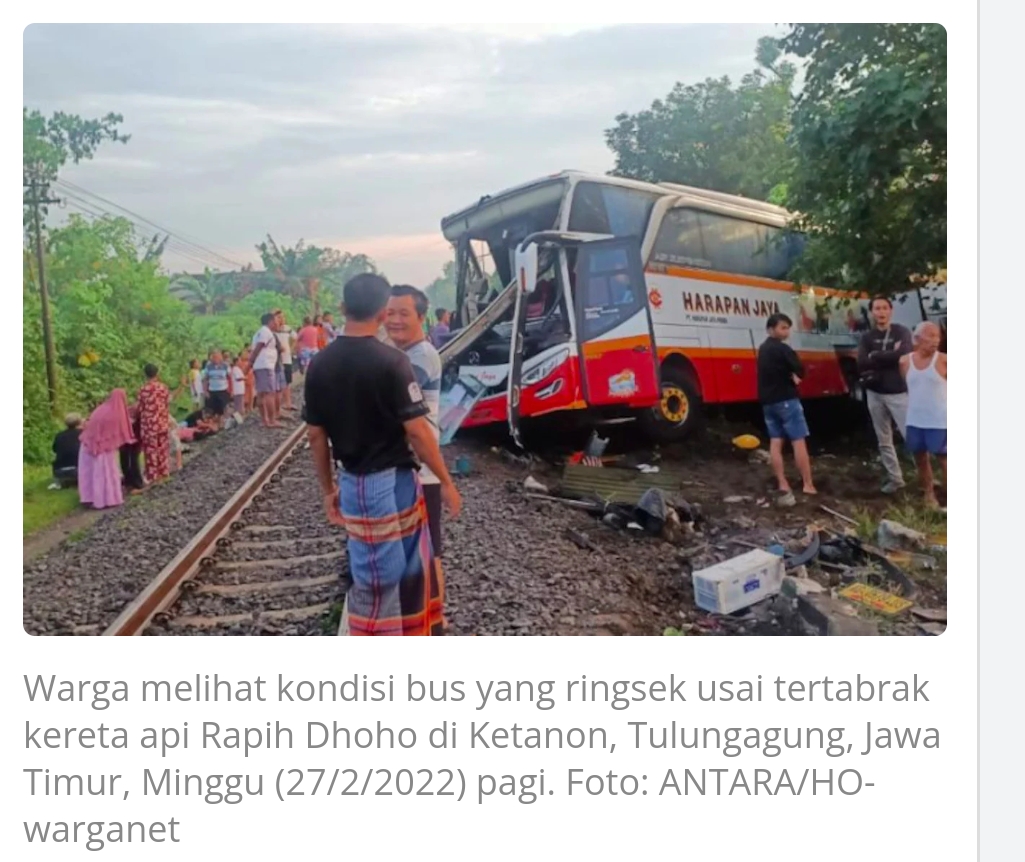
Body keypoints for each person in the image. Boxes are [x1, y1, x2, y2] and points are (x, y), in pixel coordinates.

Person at [304, 273, 462, 637]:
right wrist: (447, 481)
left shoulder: (318, 365)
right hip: (391, 483)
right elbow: (418, 432)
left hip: (352, 479)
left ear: (343, 309)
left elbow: (315, 435)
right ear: (380, 312)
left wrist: (328, 489)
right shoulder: (392, 362)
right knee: (392, 573)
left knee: (368, 566)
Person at [386, 284, 447, 634]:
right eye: (390, 313)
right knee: (424, 543)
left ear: (422, 318)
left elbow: (393, 404)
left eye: (403, 313)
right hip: (416, 465)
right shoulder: (408, 354)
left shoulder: (419, 357)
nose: (394, 320)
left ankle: (434, 622)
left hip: (422, 468)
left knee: (429, 546)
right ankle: (430, 616)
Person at [757, 313, 817, 506]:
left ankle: (783, 483)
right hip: (787, 400)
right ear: (771, 329)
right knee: (798, 441)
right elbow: (800, 369)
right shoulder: (783, 349)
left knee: (776, 442)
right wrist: (794, 375)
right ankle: (808, 484)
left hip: (768, 403)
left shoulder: (762, 349)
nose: (786, 331)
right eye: (783, 327)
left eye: (787, 327)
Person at [858, 296, 913, 494]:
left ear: (891, 311)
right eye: (876, 308)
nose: (881, 312)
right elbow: (862, 362)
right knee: (884, 439)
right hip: (875, 392)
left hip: (898, 392)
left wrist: (876, 356)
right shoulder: (867, 337)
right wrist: (890, 355)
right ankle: (895, 478)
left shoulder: (901, 331)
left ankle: (927, 477)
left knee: (912, 436)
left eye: (884, 308)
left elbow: (905, 353)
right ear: (872, 312)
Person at [900, 322, 947, 509]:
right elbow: (909, 385)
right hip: (915, 418)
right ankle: (929, 494)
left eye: (937, 336)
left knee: (945, 459)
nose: (935, 340)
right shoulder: (904, 361)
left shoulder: (944, 360)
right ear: (917, 339)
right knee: (920, 458)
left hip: (940, 419)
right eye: (930, 336)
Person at [78, 389, 135, 509]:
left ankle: (90, 498)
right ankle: (108, 499)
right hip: (104, 448)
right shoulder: (116, 413)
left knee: (91, 473)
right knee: (106, 473)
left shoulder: (101, 409)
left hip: (88, 444)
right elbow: (120, 430)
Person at [136, 364, 176, 484]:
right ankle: (164, 473)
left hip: (148, 425)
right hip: (162, 422)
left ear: (145, 374)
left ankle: (153, 476)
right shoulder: (163, 387)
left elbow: (140, 407)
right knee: (163, 448)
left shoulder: (143, 389)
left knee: (150, 451)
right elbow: (168, 401)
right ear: (157, 373)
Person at [250, 312, 281, 427]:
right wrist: (250, 363)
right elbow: (258, 347)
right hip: (265, 365)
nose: (277, 323)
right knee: (269, 394)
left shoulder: (259, 332)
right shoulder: (265, 332)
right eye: (276, 321)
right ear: (271, 321)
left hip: (260, 366)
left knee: (261, 393)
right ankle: (271, 420)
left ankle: (265, 420)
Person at [50, 413, 83, 489]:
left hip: (59, 470)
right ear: (79, 422)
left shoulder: (59, 435)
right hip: (77, 468)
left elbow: (54, 449)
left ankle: (62, 481)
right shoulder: (83, 434)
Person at [203, 350, 232, 427]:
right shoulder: (208, 366)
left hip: (223, 390)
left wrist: (231, 389)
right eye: (214, 357)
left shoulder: (225, 366)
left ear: (220, 358)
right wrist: (205, 391)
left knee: (225, 407)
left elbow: (230, 377)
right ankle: (216, 425)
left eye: (217, 357)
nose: (215, 359)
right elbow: (206, 379)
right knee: (213, 410)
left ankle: (226, 423)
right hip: (212, 390)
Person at [274, 309, 296, 413]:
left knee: (287, 381)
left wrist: (291, 349)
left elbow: (295, 337)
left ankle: (288, 403)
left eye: (282, 317)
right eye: (279, 317)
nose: (281, 319)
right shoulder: (272, 331)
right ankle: (279, 405)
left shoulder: (287, 329)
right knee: (278, 383)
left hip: (287, 358)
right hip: (277, 360)